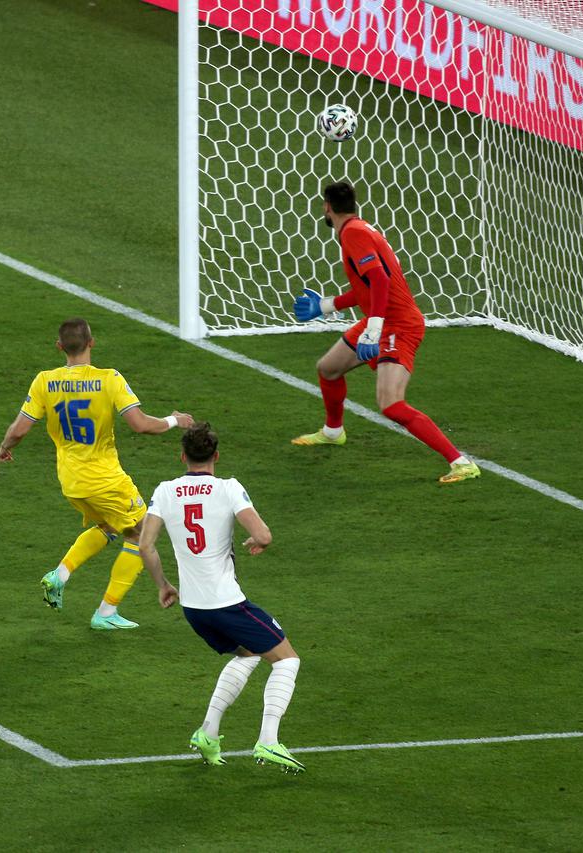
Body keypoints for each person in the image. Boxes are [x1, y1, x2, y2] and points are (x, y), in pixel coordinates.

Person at [0, 317, 194, 630]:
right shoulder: (109, 379)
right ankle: (106, 612)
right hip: (105, 479)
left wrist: (5, 446)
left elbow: (20, 429)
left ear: (60, 347)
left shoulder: (44, 380)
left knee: (108, 525)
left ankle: (59, 576)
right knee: (141, 535)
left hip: (71, 481)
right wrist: (173, 420)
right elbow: (141, 425)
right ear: (92, 342)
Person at [139, 422, 303, 772]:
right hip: (227, 603)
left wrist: (164, 584)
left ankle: (208, 732)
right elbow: (264, 535)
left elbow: (145, 545)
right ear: (216, 456)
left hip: (194, 609)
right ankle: (269, 741)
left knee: (246, 656)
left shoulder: (166, 491)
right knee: (287, 660)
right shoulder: (228, 488)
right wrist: (257, 540)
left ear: (182, 456)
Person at [291, 180, 480, 484]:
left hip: (398, 324)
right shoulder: (359, 229)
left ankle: (460, 462)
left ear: (327, 207)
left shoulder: (352, 234)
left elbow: (379, 280)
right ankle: (333, 432)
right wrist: (326, 306)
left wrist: (373, 330)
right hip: (381, 319)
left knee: (391, 403)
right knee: (328, 369)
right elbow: (366, 286)